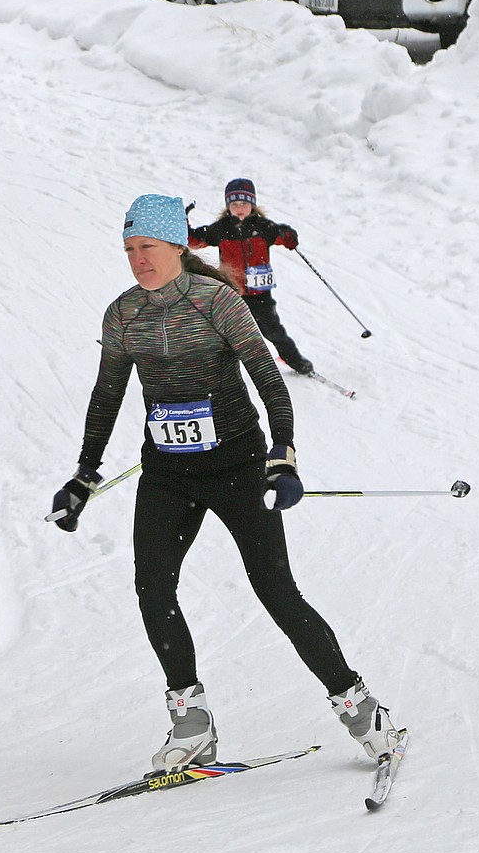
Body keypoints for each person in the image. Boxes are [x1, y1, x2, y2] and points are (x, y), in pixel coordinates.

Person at [51, 193, 399, 774]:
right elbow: (107, 393)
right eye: (130, 250)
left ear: (179, 246)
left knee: (276, 591)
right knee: (153, 589)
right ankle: (192, 724)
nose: (139, 260)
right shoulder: (122, 313)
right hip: (166, 471)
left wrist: (281, 456)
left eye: (150, 248)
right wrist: (85, 473)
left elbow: (270, 381)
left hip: (237, 467)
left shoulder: (218, 301)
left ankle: (364, 712)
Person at [188, 177, 314, 376]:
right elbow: (194, 241)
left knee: (272, 330)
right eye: (234, 204)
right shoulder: (221, 229)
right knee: (225, 332)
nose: (239, 208)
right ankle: (216, 369)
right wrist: (183, 223)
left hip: (259, 292)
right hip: (232, 291)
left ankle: (294, 360)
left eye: (244, 204)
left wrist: (289, 236)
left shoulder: (263, 227)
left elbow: (283, 235)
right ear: (228, 206)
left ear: (252, 205)